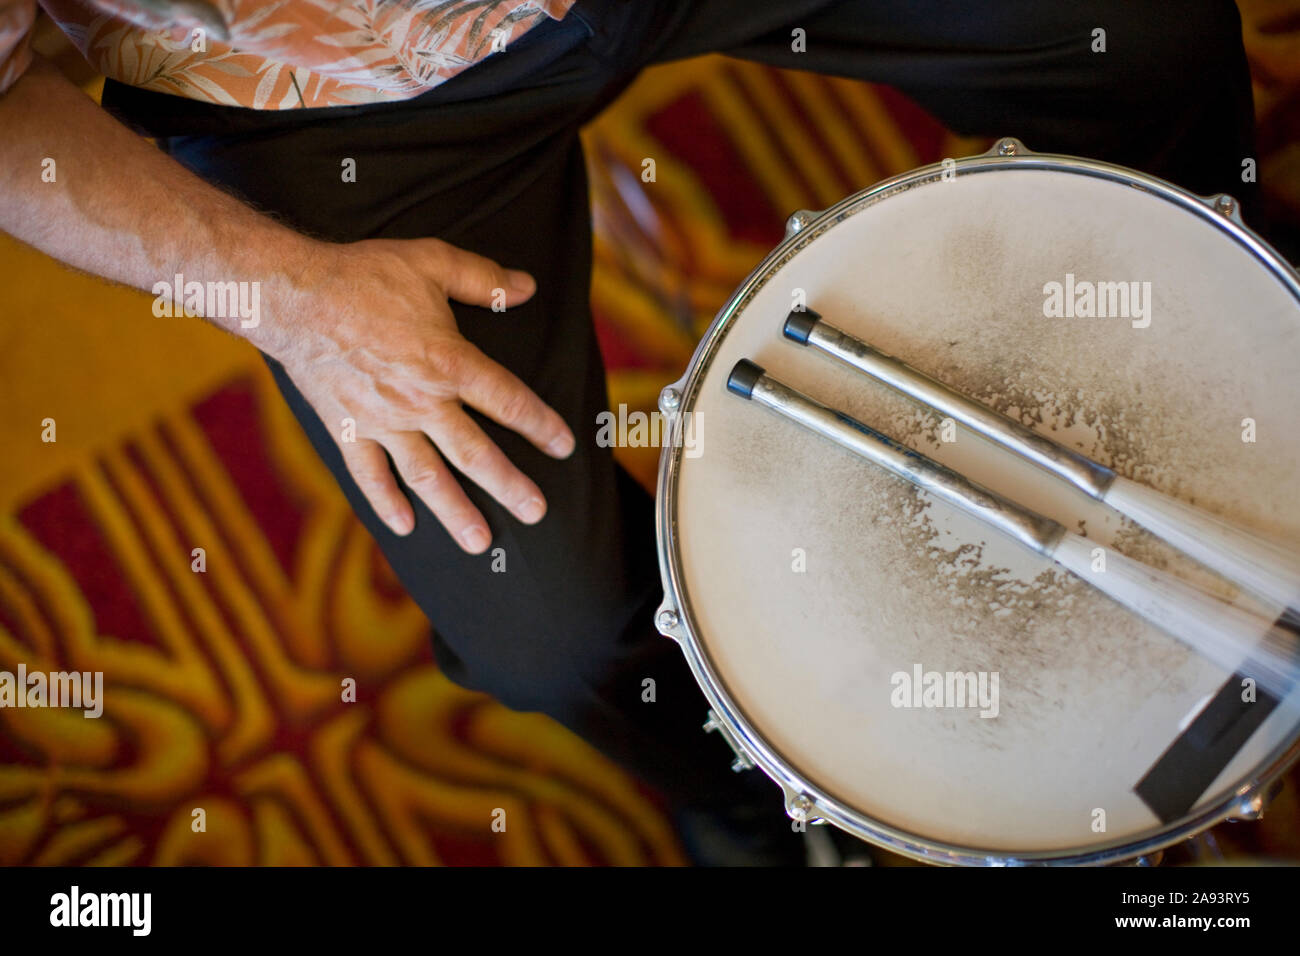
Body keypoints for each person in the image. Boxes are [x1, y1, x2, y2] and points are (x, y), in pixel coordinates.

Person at [0, 0, 1258, 865]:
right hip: (339, 103)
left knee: (1142, 34)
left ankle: (1232, 353)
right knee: (544, 628)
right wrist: (293, 300)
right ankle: (762, 799)